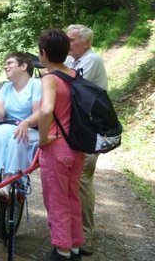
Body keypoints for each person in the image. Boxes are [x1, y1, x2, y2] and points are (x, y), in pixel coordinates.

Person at [38, 29, 85, 261]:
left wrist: (43, 138)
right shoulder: (75, 74)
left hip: (57, 147)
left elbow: (46, 110)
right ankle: (75, 246)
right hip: (77, 147)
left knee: (56, 201)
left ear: (43, 53)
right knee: (72, 197)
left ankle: (61, 249)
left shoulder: (50, 78)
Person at [65, 24, 108, 256]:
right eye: (67, 40)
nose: (68, 44)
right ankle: (72, 232)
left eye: (72, 40)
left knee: (82, 180)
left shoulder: (92, 60)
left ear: (87, 42)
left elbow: (70, 87)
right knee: (72, 179)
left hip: (90, 131)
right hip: (77, 130)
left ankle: (85, 234)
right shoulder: (72, 61)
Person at [0, 52, 41, 197]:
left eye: (10, 63)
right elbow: (0, 113)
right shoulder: (6, 87)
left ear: (24, 66)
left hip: (30, 129)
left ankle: (6, 184)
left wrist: (26, 122)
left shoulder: (36, 84)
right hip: (9, 127)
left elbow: (39, 113)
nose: (5, 66)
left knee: (17, 137)